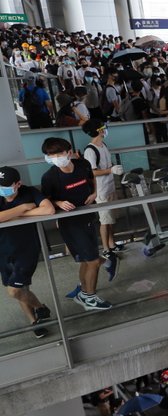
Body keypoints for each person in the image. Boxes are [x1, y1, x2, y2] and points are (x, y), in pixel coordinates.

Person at [40, 137, 112, 311]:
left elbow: (91, 179)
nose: (56, 157)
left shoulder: (83, 165)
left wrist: (94, 193)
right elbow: (46, 201)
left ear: (69, 152)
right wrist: (58, 203)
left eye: (59, 153)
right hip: (70, 223)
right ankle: (89, 296)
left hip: (88, 216)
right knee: (93, 261)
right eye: (51, 155)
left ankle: (83, 289)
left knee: (86, 261)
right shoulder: (49, 177)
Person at [0, 166, 55, 338]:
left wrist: (14, 216)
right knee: (21, 288)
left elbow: (48, 210)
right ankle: (35, 320)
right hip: (3, 250)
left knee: (14, 290)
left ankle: (40, 307)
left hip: (26, 249)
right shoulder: (24, 201)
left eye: (6, 185)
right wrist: (23, 208)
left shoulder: (29, 192)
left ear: (18, 184)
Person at [81, 119, 124, 278]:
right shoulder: (90, 150)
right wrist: (110, 170)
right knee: (105, 220)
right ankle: (106, 248)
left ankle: (112, 244)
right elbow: (92, 172)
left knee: (112, 217)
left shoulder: (103, 146)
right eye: (104, 127)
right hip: (101, 190)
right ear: (98, 130)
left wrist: (112, 170)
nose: (105, 130)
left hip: (110, 186)